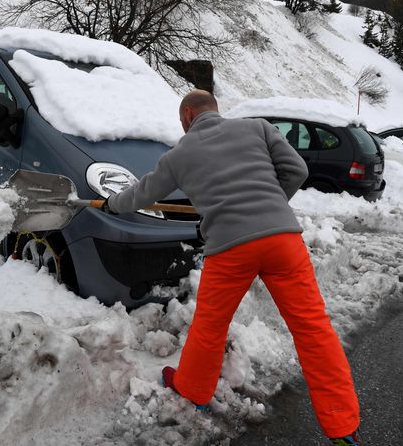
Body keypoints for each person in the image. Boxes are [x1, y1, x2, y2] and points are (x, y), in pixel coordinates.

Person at [106, 90, 361, 445]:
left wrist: (111, 204)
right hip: (283, 241)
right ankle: (343, 427)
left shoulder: (179, 155)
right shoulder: (257, 128)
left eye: (182, 119)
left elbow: (143, 194)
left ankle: (193, 389)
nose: (182, 125)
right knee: (313, 328)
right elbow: (297, 170)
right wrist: (269, 203)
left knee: (210, 326)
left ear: (190, 114)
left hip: (230, 248)